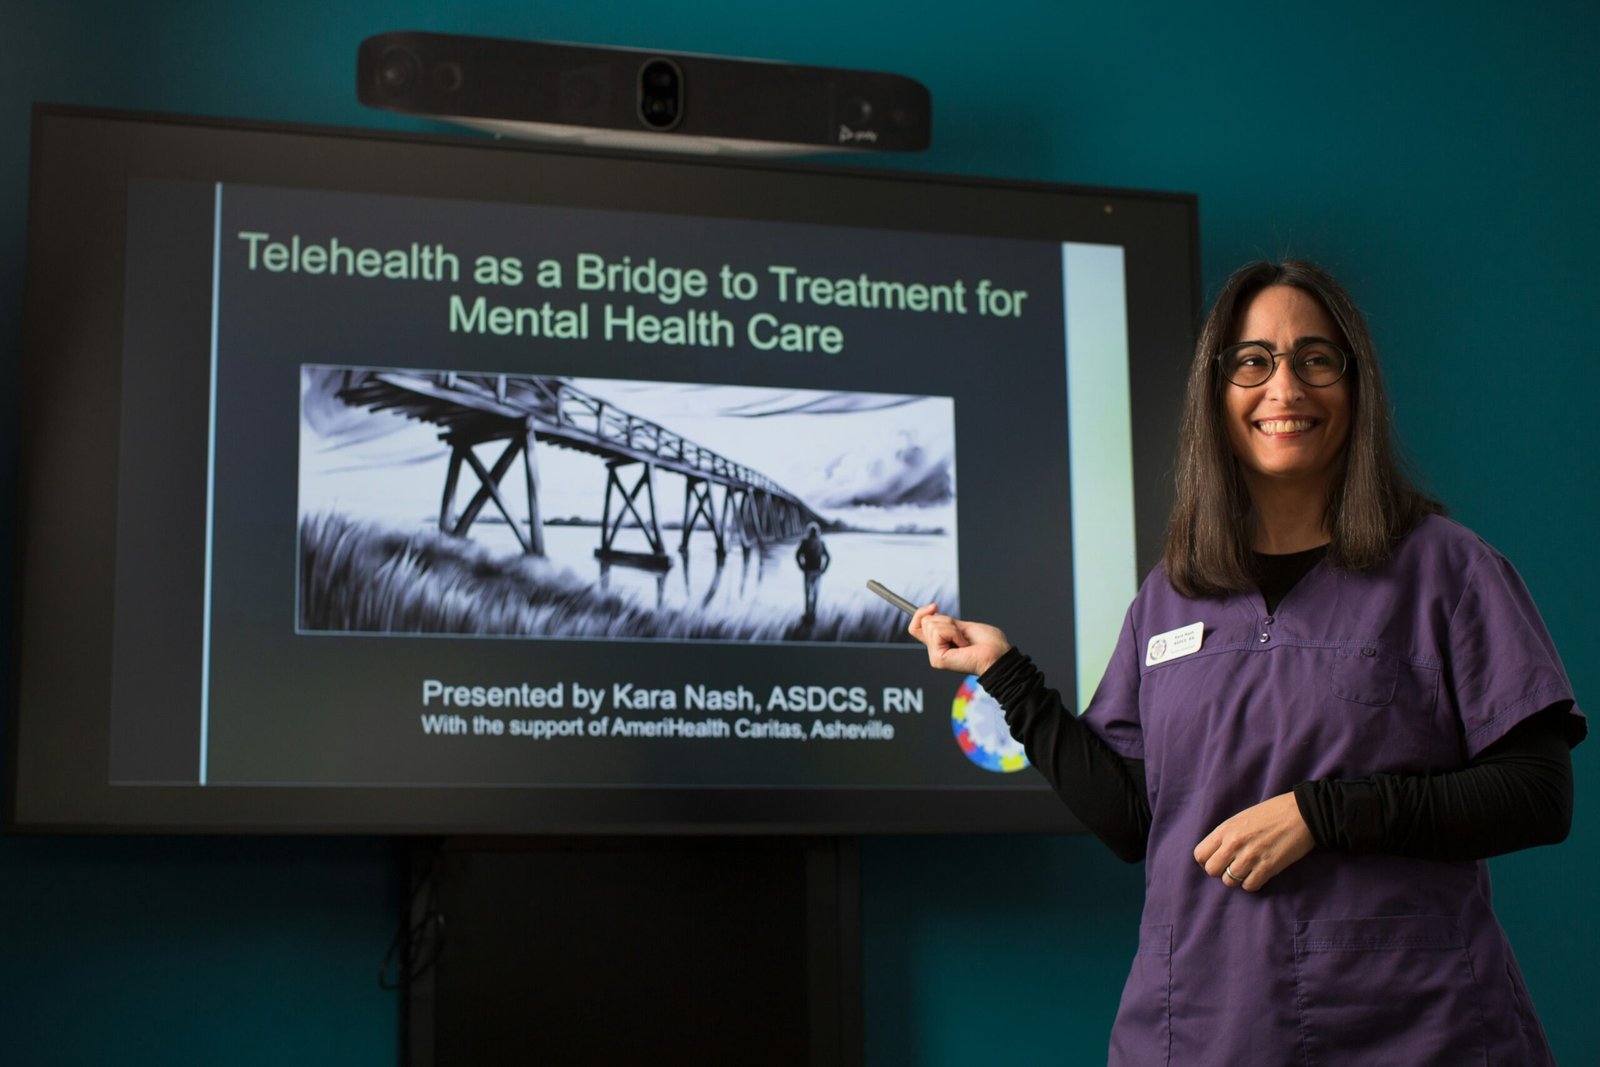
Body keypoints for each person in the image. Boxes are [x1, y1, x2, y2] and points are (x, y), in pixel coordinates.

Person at [910, 260, 1584, 1064]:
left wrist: (1325, 813)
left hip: (1409, 1028)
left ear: (1355, 387)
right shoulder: (1171, 594)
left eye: (1316, 358)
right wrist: (1008, 674)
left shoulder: (1446, 567)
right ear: (1217, 393)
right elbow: (1133, 819)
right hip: (1202, 1029)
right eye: (1253, 360)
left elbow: (1539, 795)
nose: (1285, 387)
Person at [795, 521, 830, 622]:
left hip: (808, 571)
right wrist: (824, 569)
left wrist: (801, 566)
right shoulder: (821, 543)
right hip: (817, 572)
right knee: (815, 593)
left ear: (809, 532)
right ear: (817, 532)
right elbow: (828, 557)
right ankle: (813, 614)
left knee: (807, 593)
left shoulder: (804, 542)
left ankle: (807, 613)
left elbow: (797, 555)